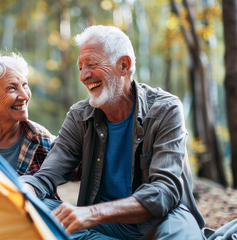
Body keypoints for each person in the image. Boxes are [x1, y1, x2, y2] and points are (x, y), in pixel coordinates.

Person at [21, 25, 205, 239]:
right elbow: (46, 176)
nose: (84, 75)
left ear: (123, 66)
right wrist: (23, 189)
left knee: (180, 232)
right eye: (80, 67)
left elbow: (164, 191)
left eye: (91, 64)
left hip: (161, 221)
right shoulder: (79, 116)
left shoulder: (165, 109)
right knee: (34, 209)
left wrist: (91, 213)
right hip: (105, 225)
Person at [0, 49, 55, 176]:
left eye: (24, 85)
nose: (24, 96)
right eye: (12, 88)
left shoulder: (41, 140)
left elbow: (80, 168)